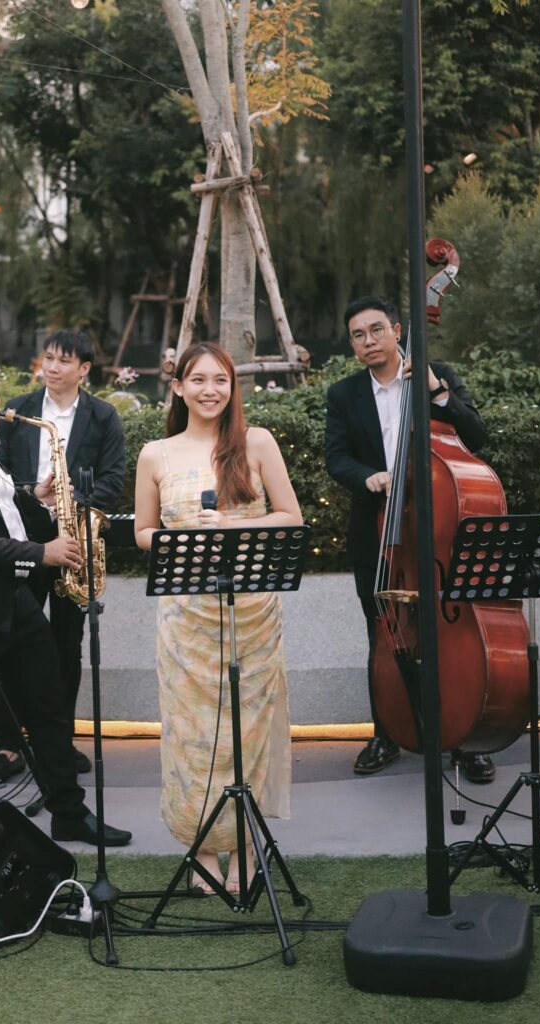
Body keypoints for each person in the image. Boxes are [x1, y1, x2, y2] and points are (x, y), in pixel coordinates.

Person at [0, 354, 131, 846]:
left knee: (48, 708)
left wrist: (35, 496)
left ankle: (68, 813)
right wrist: (42, 553)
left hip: (14, 603)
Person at [134, 342, 302, 893]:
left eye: (221, 380)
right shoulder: (155, 454)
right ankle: (203, 847)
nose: (210, 390)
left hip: (252, 611)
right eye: (199, 380)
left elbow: (290, 517)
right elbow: (143, 532)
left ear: (233, 387)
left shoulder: (257, 442)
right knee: (192, 736)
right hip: (186, 618)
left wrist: (233, 527)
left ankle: (249, 849)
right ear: (178, 387)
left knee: (248, 731)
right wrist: (182, 539)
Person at [325, 295, 493, 784]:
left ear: (397, 330)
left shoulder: (438, 376)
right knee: (383, 632)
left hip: (441, 533)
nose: (368, 341)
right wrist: (368, 476)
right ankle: (386, 732)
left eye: (376, 329)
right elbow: (336, 457)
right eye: (358, 335)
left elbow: (477, 437)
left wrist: (438, 392)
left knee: (453, 635)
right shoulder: (344, 394)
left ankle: (464, 738)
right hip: (380, 536)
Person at [0, 329, 126, 781]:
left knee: (67, 645)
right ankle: (10, 744)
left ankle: (58, 742)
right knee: (12, 640)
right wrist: (33, 494)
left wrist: (72, 504)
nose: (52, 367)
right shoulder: (18, 410)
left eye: (63, 361)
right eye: (48, 358)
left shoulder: (103, 416)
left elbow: (114, 479)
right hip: (23, 538)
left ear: (84, 369)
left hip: (75, 541)